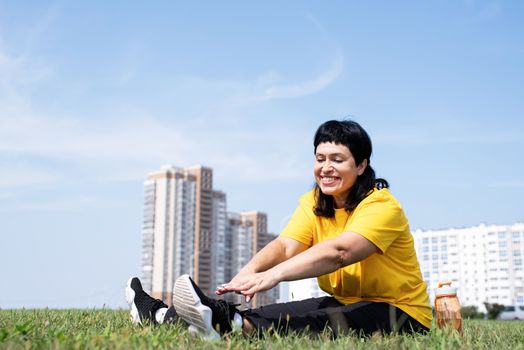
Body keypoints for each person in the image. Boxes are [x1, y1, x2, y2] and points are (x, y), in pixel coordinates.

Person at [125, 120, 432, 340]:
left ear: (361, 165)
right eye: (320, 158)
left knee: (312, 323)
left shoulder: (381, 205)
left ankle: (214, 320)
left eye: (338, 160)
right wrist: (248, 272)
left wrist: (272, 276)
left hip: (400, 312)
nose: (326, 168)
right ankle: (162, 315)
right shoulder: (316, 202)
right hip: (344, 300)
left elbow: (341, 252)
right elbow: (286, 245)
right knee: (275, 314)